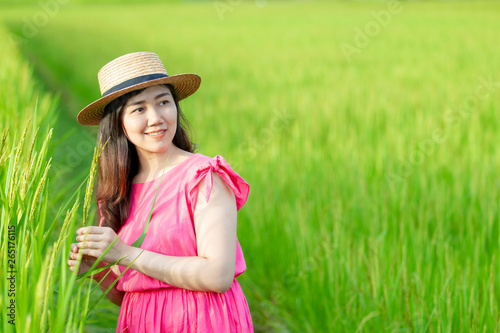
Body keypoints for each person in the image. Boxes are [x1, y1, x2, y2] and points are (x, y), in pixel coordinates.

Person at [67, 52, 253, 332]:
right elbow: (130, 291)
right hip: (141, 322)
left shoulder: (203, 176)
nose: (156, 118)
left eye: (163, 102)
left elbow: (218, 275)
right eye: (138, 109)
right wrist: (98, 271)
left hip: (203, 321)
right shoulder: (117, 193)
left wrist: (124, 252)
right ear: (118, 123)